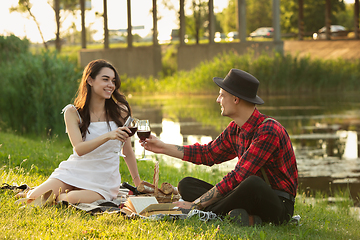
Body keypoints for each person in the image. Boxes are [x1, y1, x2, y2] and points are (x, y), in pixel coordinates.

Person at [142, 69, 298, 226]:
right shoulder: (235, 129)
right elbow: (207, 154)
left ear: (236, 99)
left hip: (278, 205)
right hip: (247, 196)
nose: (218, 100)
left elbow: (238, 176)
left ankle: (201, 213)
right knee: (186, 185)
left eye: (222, 95)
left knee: (252, 183)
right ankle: (243, 218)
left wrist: (195, 204)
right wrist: (162, 147)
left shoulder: (268, 131)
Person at [19, 59, 141, 204]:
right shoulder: (72, 112)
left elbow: (127, 152)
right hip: (74, 171)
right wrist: (108, 136)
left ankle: (65, 195)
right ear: (90, 80)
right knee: (33, 198)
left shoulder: (120, 112)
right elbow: (79, 149)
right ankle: (37, 192)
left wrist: (138, 183)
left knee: (67, 199)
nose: (111, 85)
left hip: (103, 179)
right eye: (105, 79)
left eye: (113, 81)